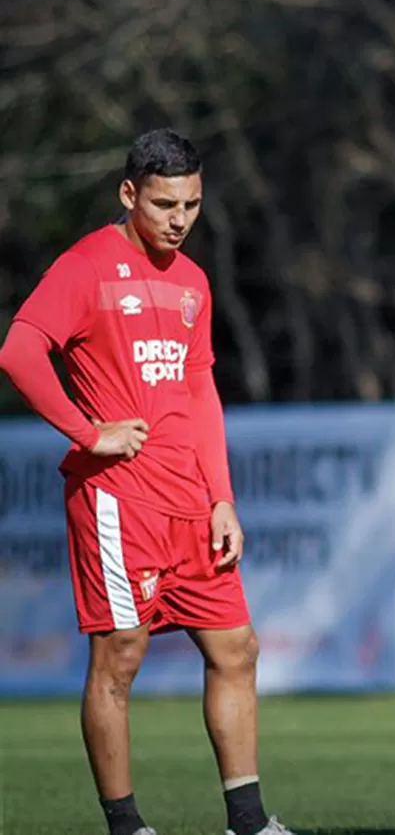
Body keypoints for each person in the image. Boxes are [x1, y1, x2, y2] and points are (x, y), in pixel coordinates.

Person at [0, 129, 293, 835]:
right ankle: (126, 826)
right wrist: (88, 431)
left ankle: (248, 821)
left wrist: (223, 497)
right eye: (165, 203)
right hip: (116, 499)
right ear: (129, 193)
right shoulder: (88, 265)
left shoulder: (192, 280)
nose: (180, 218)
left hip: (191, 501)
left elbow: (200, 396)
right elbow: (19, 350)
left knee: (236, 649)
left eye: (191, 203)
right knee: (120, 655)